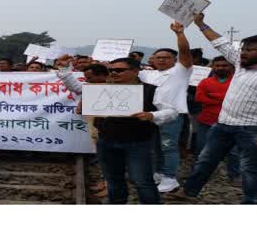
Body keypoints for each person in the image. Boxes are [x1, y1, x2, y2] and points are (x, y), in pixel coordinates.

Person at [182, 12, 257, 204]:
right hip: (223, 125)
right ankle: (188, 192)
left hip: (255, 129)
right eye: (243, 48)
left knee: (250, 168)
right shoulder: (241, 63)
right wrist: (201, 23)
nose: (243, 52)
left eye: (250, 49)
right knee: (205, 161)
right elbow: (220, 42)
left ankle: (250, 202)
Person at [56, 57, 177, 204]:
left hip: (138, 143)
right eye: (111, 70)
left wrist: (152, 115)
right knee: (113, 180)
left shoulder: (152, 89)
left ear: (135, 71)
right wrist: (64, 70)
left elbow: (172, 112)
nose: (114, 73)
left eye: (119, 70)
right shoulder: (102, 87)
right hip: (106, 142)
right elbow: (76, 88)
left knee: (142, 181)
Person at [138, 22, 194, 193]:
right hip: (150, 116)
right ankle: (159, 173)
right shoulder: (147, 73)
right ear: (152, 60)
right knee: (155, 147)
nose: (161, 59)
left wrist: (179, 34)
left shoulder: (181, 71)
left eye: (166, 57)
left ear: (175, 60)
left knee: (169, 147)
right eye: (158, 57)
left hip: (172, 116)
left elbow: (185, 52)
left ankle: (170, 178)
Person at [193, 56, 240, 183]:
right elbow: (199, 98)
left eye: (224, 65)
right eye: (217, 65)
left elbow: (237, 100)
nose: (220, 68)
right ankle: (199, 175)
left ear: (231, 67)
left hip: (231, 122)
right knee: (202, 149)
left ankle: (234, 175)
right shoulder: (205, 82)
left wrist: (213, 96)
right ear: (213, 66)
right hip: (206, 120)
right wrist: (224, 98)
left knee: (233, 152)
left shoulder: (238, 82)